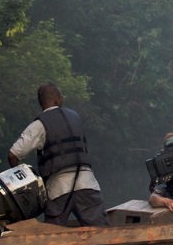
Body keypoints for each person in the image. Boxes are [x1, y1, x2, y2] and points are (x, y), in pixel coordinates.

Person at [7, 83, 108, 227]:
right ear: (57, 99)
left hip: (58, 189)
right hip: (87, 183)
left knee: (52, 234)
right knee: (100, 230)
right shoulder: (75, 117)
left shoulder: (39, 124)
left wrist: (21, 182)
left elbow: (13, 155)